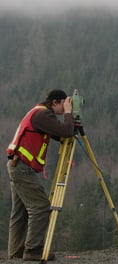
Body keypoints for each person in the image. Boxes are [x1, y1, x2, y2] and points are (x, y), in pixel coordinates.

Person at [6, 89, 75, 261]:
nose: (65, 108)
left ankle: (16, 252)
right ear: (55, 103)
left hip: (18, 165)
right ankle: (33, 250)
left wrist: (70, 123)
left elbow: (60, 133)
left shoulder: (38, 113)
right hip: (22, 168)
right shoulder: (43, 115)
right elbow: (66, 131)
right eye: (63, 104)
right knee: (41, 207)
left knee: (20, 212)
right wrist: (68, 114)